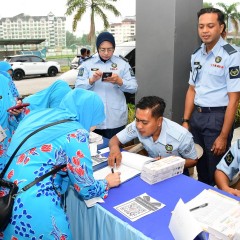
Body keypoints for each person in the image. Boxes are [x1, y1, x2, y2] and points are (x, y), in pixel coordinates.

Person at [1, 88, 121, 239]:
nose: (94, 125)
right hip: (35, 205)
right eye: (96, 119)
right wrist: (107, 183)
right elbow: (85, 187)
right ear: (89, 112)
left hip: (7, 198)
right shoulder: (75, 133)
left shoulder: (39, 116)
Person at [182, 8, 240, 186]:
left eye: (210, 26)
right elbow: (192, 90)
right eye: (201, 26)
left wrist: (223, 135)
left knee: (217, 170)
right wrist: (186, 120)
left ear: (221, 27)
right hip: (197, 117)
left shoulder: (232, 55)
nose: (205, 30)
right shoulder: (196, 55)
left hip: (217, 118)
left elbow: (234, 99)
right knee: (200, 164)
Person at [108, 96, 198, 175]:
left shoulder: (181, 135)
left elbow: (193, 160)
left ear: (159, 121)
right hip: (151, 170)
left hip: (175, 172)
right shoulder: (137, 125)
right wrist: (114, 148)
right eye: (137, 120)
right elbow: (114, 139)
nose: (139, 126)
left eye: (144, 122)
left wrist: (170, 164)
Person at [75, 31, 138, 139]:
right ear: (97, 48)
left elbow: (134, 87)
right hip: (93, 120)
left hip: (115, 119)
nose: (106, 53)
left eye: (109, 49)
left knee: (115, 151)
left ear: (114, 48)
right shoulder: (87, 64)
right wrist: (91, 80)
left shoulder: (123, 64)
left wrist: (120, 81)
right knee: (94, 151)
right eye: (102, 49)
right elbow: (78, 88)